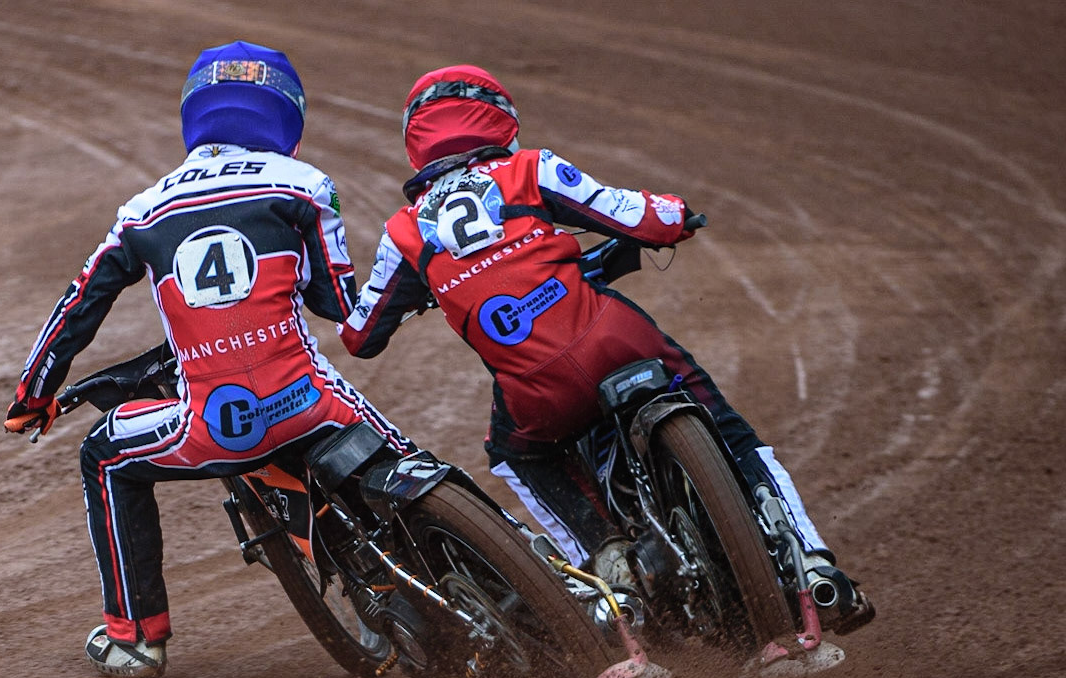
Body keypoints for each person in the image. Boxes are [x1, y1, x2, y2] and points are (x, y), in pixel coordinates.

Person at [339, 64, 872, 634]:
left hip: (536, 392)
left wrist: (431, 289)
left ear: (416, 144)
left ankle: (609, 579)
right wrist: (676, 215)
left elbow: (360, 335)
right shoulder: (531, 169)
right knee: (729, 430)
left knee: (515, 454)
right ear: (501, 122)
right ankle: (812, 563)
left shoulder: (404, 231)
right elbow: (637, 215)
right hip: (613, 341)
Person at [4, 40, 409, 678]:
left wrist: (33, 397)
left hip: (210, 425)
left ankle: (137, 639)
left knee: (103, 456)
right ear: (286, 115)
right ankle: (495, 562)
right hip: (309, 402)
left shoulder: (141, 211)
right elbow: (335, 302)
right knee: (396, 448)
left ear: (193, 113)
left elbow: (78, 306)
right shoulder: (306, 185)